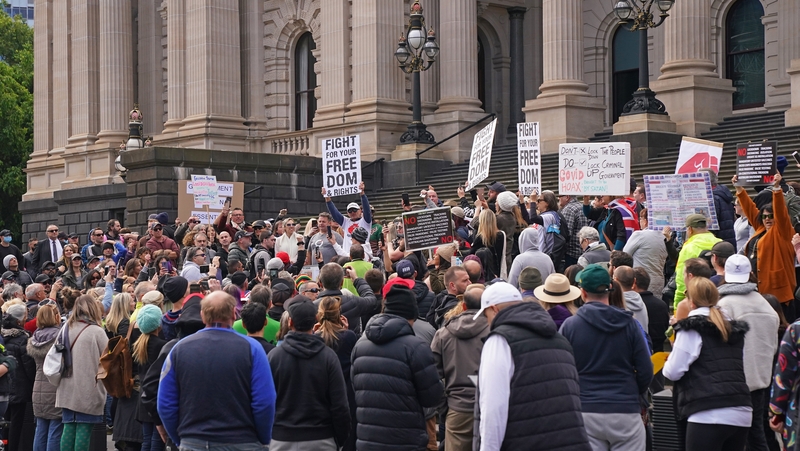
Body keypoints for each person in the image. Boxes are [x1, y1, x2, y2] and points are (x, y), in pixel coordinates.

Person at [474, 281, 590, 450]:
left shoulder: (500, 341)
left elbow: (493, 409)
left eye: (486, 316)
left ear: (494, 309)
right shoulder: (560, 340)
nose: (487, 323)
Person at [157, 291, 277, 450]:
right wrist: (262, 438)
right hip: (242, 440)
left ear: (202, 315)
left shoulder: (179, 350)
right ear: (234, 314)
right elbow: (264, 401)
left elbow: (165, 404)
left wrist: (181, 439)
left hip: (194, 440)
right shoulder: (252, 349)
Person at [560, 264, 653, 451]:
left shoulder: (570, 326)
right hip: (625, 409)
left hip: (585, 409)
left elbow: (562, 370)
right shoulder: (630, 324)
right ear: (610, 288)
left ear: (582, 292)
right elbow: (645, 369)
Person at [350, 284, 444, 451]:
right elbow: (432, 398)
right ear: (412, 314)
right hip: (405, 438)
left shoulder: (360, 344)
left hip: (367, 438)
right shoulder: (416, 347)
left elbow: (355, 387)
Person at [663, 278, 752, 451]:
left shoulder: (691, 328)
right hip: (741, 409)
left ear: (692, 302)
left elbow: (672, 372)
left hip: (707, 411)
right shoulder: (731, 329)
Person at [267, 299, 351, 450]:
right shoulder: (328, 357)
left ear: (290, 322)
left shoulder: (274, 357)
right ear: (315, 321)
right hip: (321, 438)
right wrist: (340, 439)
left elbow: (266, 401)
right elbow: (340, 405)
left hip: (282, 438)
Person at [716, 254, 778, 451]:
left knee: (731, 436)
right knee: (755, 433)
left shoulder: (723, 305)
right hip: (760, 380)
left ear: (725, 273)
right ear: (751, 274)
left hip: (730, 382)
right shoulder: (765, 305)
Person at [430, 284, 489, 451]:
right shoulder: (498, 331)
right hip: (489, 406)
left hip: (458, 407)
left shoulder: (444, 333)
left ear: (463, 305)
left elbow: (432, 375)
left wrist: (445, 405)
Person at [734, 173, 796, 321]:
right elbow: (750, 209)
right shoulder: (761, 228)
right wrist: (739, 188)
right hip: (761, 292)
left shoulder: (783, 232)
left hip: (779, 295)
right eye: (764, 216)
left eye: (770, 216)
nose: (767, 219)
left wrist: (776, 189)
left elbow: (781, 212)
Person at [55, 295, 109, 451]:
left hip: (66, 387)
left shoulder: (65, 329)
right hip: (88, 389)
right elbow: (108, 360)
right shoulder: (97, 332)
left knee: (68, 428)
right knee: (84, 430)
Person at [131, 305, 168, 451]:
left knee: (146, 440)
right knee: (157, 440)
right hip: (156, 396)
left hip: (143, 396)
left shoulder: (138, 345)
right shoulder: (162, 346)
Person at [27, 303, 62, 451]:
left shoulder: (35, 337)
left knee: (40, 429)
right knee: (55, 429)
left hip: (38, 388)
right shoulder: (60, 337)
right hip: (54, 388)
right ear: (55, 316)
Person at [4, 303, 36, 451]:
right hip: (20, 387)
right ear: (19, 321)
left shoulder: (3, 337)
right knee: (16, 426)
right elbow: (29, 366)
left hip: (5, 386)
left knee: (5, 423)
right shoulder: (23, 338)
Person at [673, 214, 722, 309]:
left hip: (696, 299)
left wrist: (678, 304)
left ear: (690, 229)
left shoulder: (688, 248)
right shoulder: (720, 243)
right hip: (719, 295)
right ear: (706, 227)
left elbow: (682, 279)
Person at [315, 263, 378, 336]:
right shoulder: (353, 302)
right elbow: (372, 300)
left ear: (320, 283)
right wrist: (356, 280)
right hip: (350, 345)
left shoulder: (311, 307)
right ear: (342, 282)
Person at [623, 208, 670, 296]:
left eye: (640, 219)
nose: (639, 221)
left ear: (646, 221)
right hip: (658, 282)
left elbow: (625, 255)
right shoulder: (666, 237)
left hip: (638, 282)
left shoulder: (639, 235)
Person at [323, 181, 372, 253]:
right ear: (347, 213)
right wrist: (327, 198)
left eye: (355, 210)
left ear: (360, 211)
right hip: (347, 256)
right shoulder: (346, 222)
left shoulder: (366, 221)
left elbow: (367, 209)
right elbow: (334, 213)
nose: (352, 212)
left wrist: (362, 193)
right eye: (350, 211)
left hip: (363, 255)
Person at [699, 168, 737, 248]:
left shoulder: (712, 198)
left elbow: (711, 225)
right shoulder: (722, 194)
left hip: (717, 244)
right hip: (727, 241)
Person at [559, 194, 590, 267]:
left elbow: (566, 233)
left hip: (572, 253)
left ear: (567, 197)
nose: (558, 198)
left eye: (560, 196)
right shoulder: (581, 206)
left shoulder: (569, 209)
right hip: (583, 250)